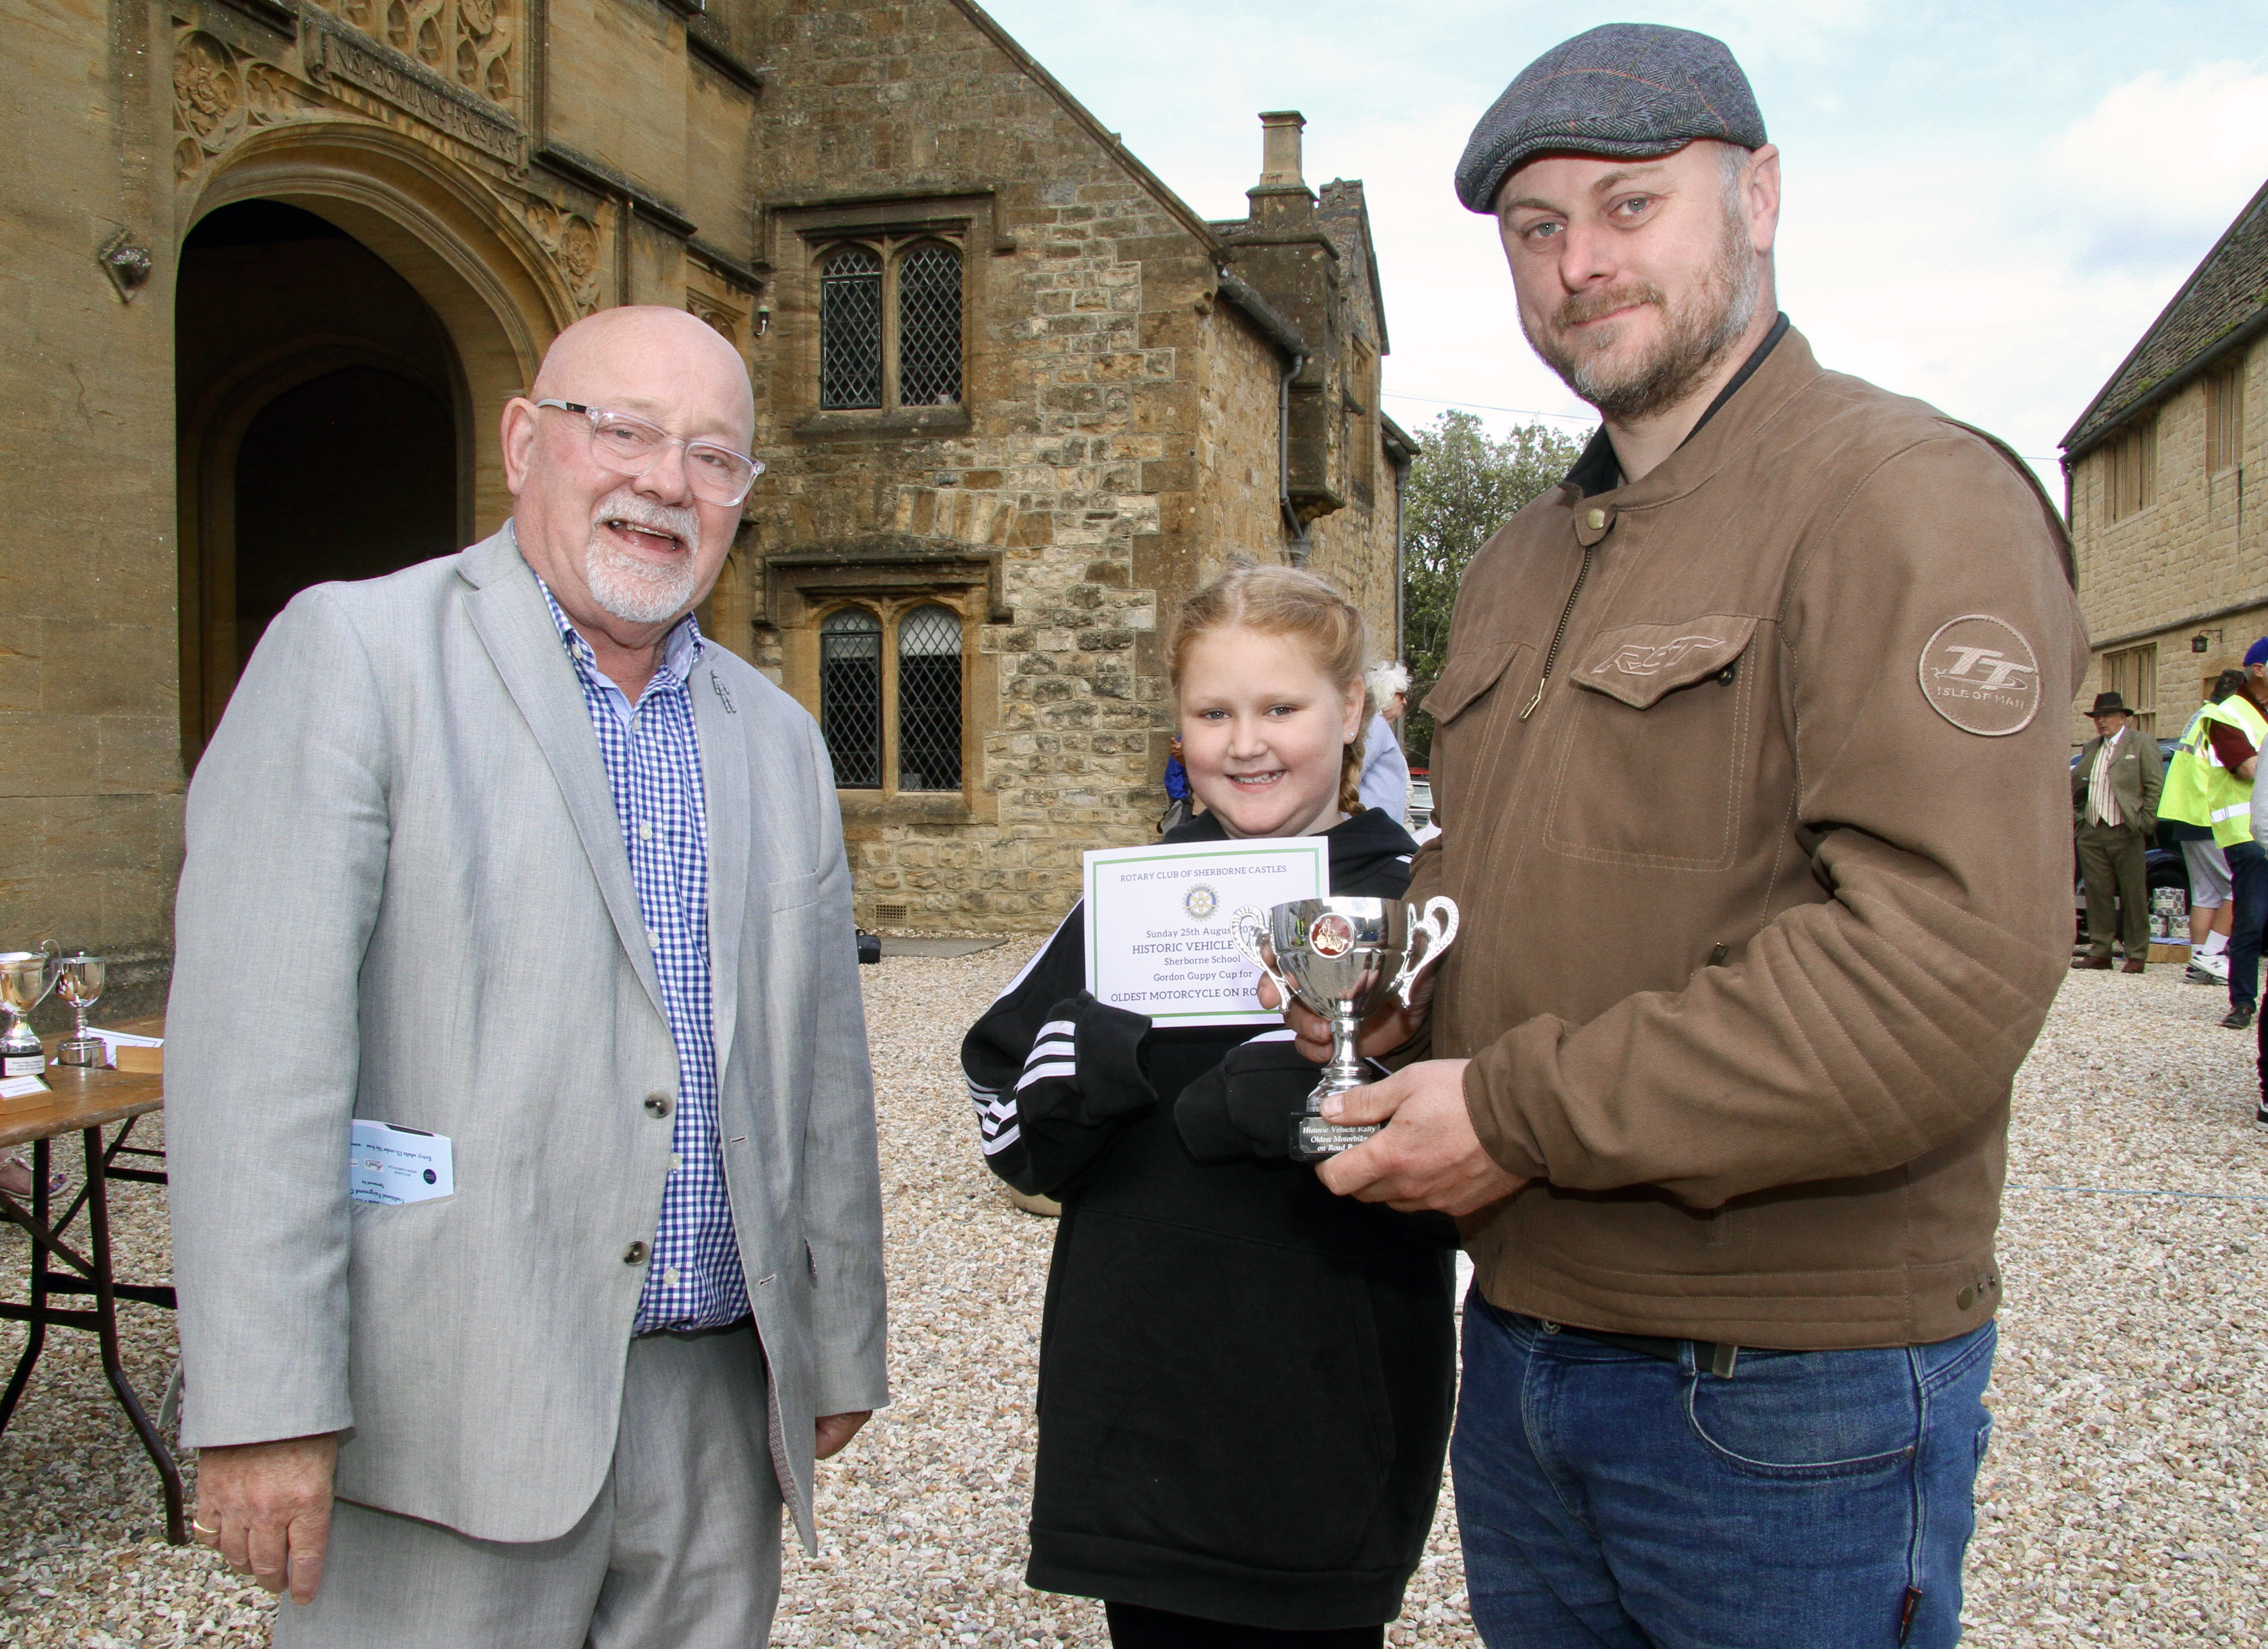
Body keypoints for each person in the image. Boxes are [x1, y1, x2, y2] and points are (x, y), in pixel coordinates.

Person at [1263, 24, 2086, 1648]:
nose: (1579, 263)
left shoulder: (1903, 496)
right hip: (1523, 1356)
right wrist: (1384, 994)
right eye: (1536, 230)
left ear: (1758, 195)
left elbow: (1941, 970)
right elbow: (1488, 878)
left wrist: (1515, 1106)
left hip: (1786, 1394)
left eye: (1630, 206)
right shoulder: (1513, 563)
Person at [166, 306, 889, 1647]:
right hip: (441, 1409)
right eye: (622, 431)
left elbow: (820, 1075)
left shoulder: (780, 738)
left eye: (713, 455)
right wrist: (267, 1406)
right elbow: (256, 1066)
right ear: (524, 442)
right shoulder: (356, 657)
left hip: (715, 1413)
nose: (664, 482)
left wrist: (838, 1340)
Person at [962, 565, 1456, 1649]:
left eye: (1280, 708)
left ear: (1351, 714)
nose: (1245, 743)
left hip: (1329, 1421)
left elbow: (1472, 1141)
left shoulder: (1413, 904)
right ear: (1177, 726)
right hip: (1141, 1419)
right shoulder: (1132, 896)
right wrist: (1093, 1071)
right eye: (1211, 712)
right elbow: (1001, 1111)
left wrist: (1294, 1096)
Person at [2183, 644, 2268, 1026]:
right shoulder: (2225, 715)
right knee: (2250, 918)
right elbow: (2249, 769)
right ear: (2259, 670)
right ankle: (2243, 1002)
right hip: (2245, 832)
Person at [2158, 671, 2245, 985]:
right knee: (2241, 887)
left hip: (2184, 814)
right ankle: (2211, 956)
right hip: (2210, 814)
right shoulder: (2225, 720)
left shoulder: (2201, 715)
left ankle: (2198, 960)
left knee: (2206, 894)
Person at [2071, 690, 2162, 974]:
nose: (2102, 722)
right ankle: (2101, 950)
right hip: (2093, 830)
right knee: (2097, 893)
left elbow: (2154, 786)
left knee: (2134, 893)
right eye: (2098, 717)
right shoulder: (2091, 748)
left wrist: (2144, 823)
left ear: (2123, 718)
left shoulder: (2142, 744)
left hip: (2126, 829)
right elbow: (2076, 787)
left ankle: (2136, 952)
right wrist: (2079, 822)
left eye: (2108, 716)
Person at [1358, 660, 1412, 820]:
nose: (1405, 702)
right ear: (1385, 692)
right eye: (1400, 695)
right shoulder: (1375, 725)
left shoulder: (1378, 725)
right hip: (1372, 829)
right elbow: (1355, 772)